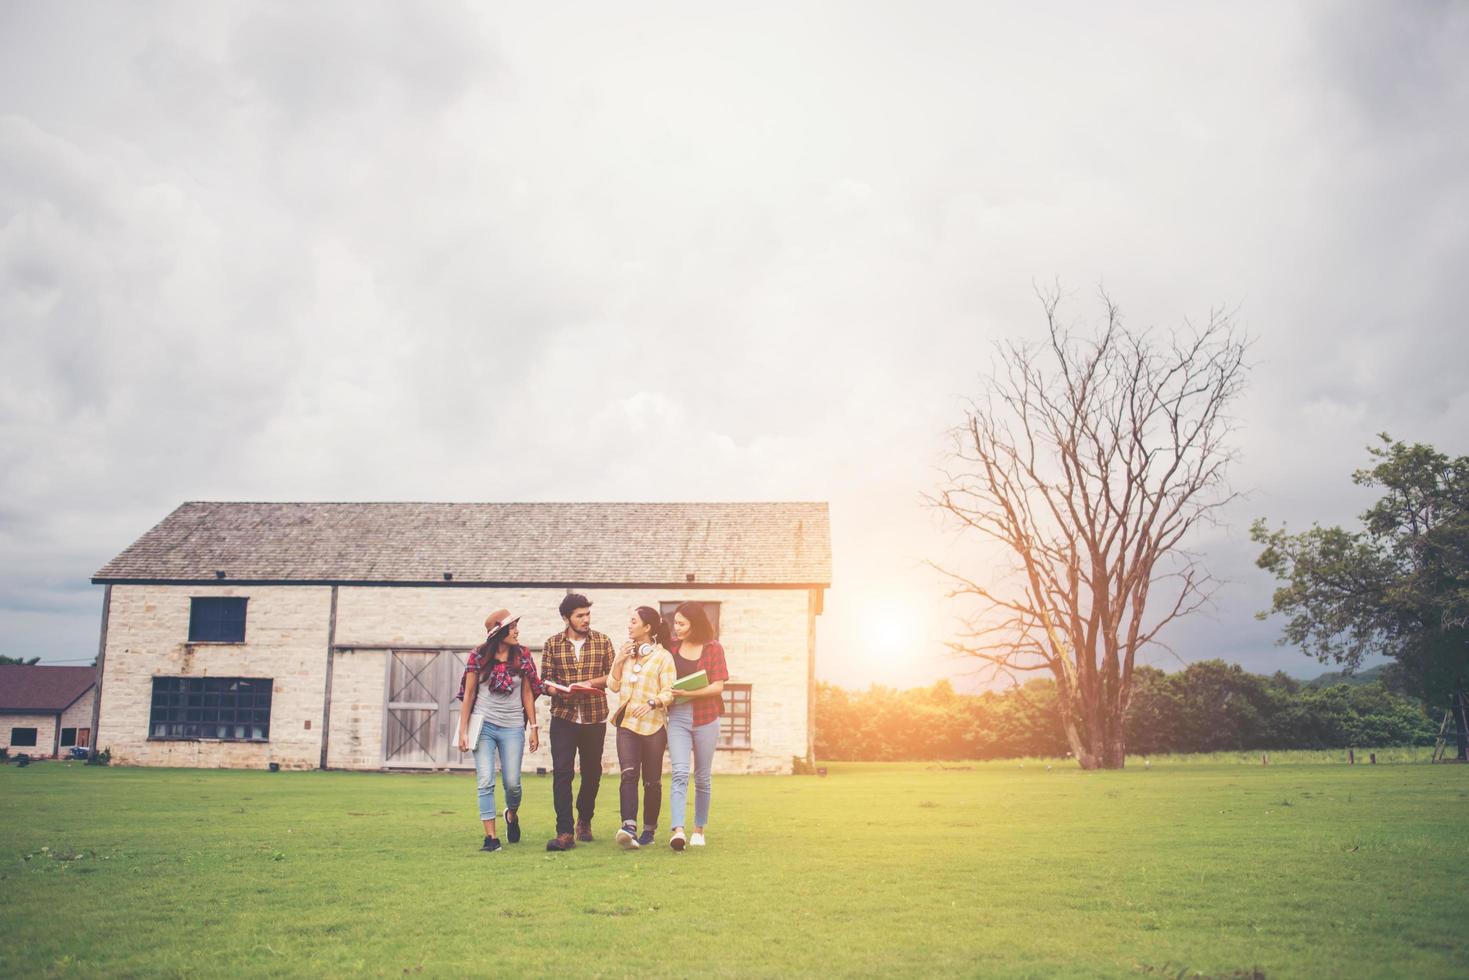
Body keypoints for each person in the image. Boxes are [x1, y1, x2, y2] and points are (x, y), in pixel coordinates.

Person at [455, 610, 544, 852]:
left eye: (516, 626)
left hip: (513, 725)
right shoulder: (479, 655)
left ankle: (511, 815)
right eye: (512, 627)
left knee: (512, 783)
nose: (517, 631)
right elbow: (469, 693)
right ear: (499, 632)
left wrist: (534, 728)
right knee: (485, 781)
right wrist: (463, 730)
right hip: (483, 725)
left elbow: (528, 692)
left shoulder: (523, 655)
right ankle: (491, 839)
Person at [540, 593, 615, 852]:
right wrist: (558, 691)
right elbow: (544, 681)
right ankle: (564, 831)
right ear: (566, 618)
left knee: (592, 771)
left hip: (594, 716)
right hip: (564, 717)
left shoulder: (603, 642)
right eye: (579, 615)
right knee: (562, 772)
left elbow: (613, 676)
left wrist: (589, 684)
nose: (585, 620)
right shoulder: (552, 644)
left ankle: (585, 819)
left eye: (587, 614)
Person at [606, 606, 676, 849]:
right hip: (627, 725)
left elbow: (669, 691)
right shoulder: (626, 654)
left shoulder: (663, 657)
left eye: (633, 621)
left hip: (654, 727)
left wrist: (652, 702)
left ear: (647, 628)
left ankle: (649, 829)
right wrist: (618, 658)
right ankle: (628, 827)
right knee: (628, 774)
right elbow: (613, 686)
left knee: (652, 782)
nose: (629, 625)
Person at [665, 601, 729, 850]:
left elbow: (718, 686)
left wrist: (689, 692)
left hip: (706, 718)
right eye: (675, 623)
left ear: (695, 624)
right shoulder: (670, 648)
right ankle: (678, 830)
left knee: (702, 777)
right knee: (680, 773)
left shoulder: (713, 648)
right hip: (678, 718)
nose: (676, 628)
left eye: (681, 624)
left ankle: (698, 829)